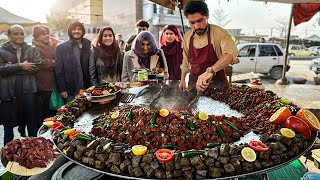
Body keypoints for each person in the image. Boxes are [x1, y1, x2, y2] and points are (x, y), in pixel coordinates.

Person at [179, 1, 239, 92]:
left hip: (218, 89)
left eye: (200, 21)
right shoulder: (187, 37)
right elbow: (185, 62)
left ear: (207, 16)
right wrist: (182, 80)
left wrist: (210, 71)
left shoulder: (219, 33)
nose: (196, 26)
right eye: (192, 23)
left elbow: (230, 55)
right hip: (194, 89)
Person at [0, 25, 41, 145]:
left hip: (28, 90)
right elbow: (1, 70)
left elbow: (37, 66)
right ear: (8, 35)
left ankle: (35, 150)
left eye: (21, 34)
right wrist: (20, 66)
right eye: (16, 34)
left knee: (31, 123)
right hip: (8, 92)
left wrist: (10, 68)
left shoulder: (32, 49)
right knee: (8, 125)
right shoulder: (1, 50)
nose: (19, 36)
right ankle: (6, 153)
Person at [55, 21, 91, 102]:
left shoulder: (88, 44)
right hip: (70, 90)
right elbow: (58, 71)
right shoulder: (61, 48)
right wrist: (62, 89)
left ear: (83, 31)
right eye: (74, 29)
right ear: (70, 31)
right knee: (72, 112)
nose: (76, 31)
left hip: (88, 88)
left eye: (79, 29)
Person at [32, 25, 60, 122]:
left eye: (47, 33)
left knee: (55, 110)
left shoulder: (51, 45)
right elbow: (39, 63)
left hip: (53, 83)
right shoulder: (34, 47)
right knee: (46, 112)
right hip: (44, 85)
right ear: (36, 36)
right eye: (43, 34)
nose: (46, 36)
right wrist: (55, 62)